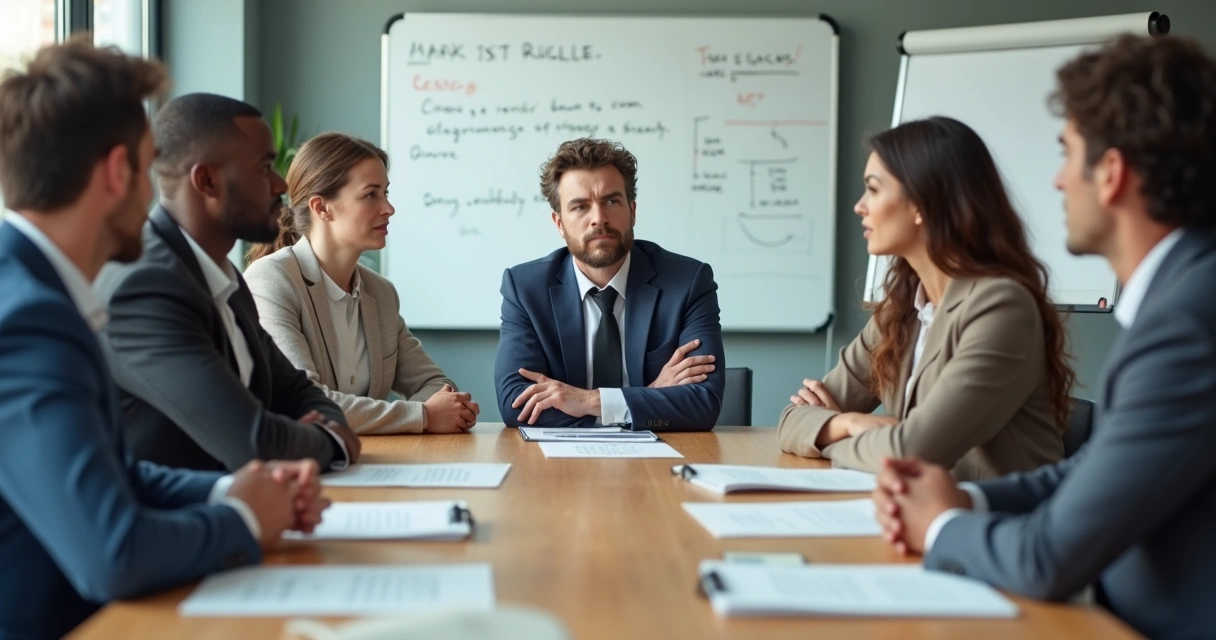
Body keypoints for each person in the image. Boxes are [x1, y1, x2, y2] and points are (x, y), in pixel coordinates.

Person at [872, 35, 1216, 640]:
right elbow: (1091, 469)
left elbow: (1047, 559)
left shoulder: (1187, 323)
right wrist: (965, 502)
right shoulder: (1184, 294)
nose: (1058, 180)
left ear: (1111, 174)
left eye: (1068, 153)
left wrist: (943, 525)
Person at [0, 39, 329, 639]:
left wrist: (237, 487)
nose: (157, 192)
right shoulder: (27, 321)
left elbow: (119, 472)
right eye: (149, 165)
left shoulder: (39, 290)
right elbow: (113, 553)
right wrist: (243, 519)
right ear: (116, 172)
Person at [777, 116, 1073, 480]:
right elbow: (790, 420)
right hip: (910, 515)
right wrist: (850, 423)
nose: (860, 206)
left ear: (922, 202)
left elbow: (910, 451)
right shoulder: (901, 309)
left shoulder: (1000, 308)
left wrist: (831, 432)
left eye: (873, 189)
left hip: (990, 525)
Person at [94, 93, 361, 472]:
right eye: (264, 167)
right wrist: (331, 440)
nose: (281, 184)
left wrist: (317, 429)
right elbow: (251, 440)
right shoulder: (144, 287)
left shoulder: (221, 273)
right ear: (207, 180)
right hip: (179, 520)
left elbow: (294, 390)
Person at [244, 133, 479, 434]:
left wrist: (441, 410)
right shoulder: (271, 281)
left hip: (369, 463)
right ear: (321, 208)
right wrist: (423, 416)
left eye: (386, 193)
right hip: (298, 469)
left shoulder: (380, 293)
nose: (388, 208)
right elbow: (302, 402)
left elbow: (436, 385)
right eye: (371, 195)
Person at [494, 138, 724, 430]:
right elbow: (517, 406)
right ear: (559, 223)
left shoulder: (688, 282)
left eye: (611, 201)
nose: (598, 219)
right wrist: (650, 396)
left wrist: (590, 401)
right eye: (579, 207)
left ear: (633, 211)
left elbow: (702, 405)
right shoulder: (525, 289)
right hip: (558, 469)